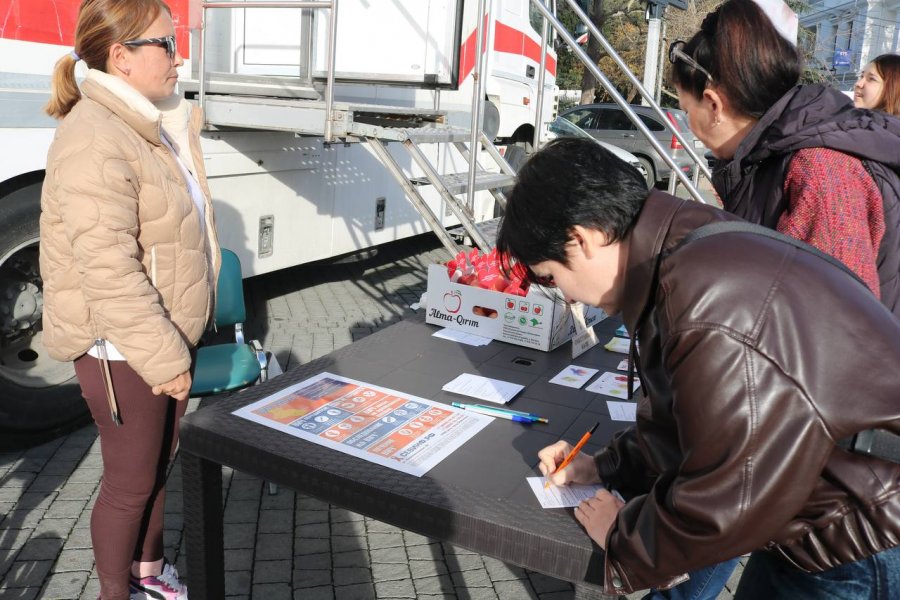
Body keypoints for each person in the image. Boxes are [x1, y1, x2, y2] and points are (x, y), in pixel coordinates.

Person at [496, 137, 900, 598]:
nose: (565, 295)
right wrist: (603, 467)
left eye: (552, 276)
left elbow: (728, 491)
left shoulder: (704, 299)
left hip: (863, 527)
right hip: (814, 509)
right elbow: (690, 422)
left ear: (581, 238)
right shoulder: (682, 247)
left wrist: (623, 538)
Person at [40, 1, 220, 598]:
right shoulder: (95, 137)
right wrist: (166, 358)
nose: (178, 55)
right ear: (120, 56)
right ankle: (116, 592)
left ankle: (150, 576)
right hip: (123, 346)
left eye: (176, 40)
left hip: (161, 333)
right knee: (129, 484)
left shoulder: (149, 121)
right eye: (166, 44)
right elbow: (109, 271)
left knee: (155, 470)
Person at [669, 0, 900, 318]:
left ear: (713, 104)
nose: (688, 124)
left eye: (685, 110)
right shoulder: (766, 156)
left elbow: (834, 332)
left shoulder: (820, 170)